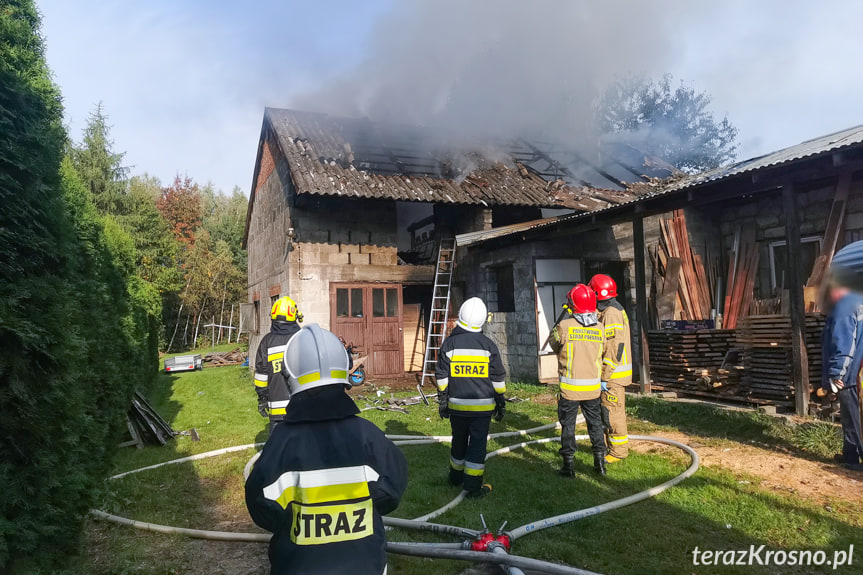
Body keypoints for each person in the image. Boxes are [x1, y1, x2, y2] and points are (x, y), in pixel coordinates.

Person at [245, 324, 408, 574]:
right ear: (344, 376)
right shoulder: (369, 437)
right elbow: (392, 490)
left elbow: (261, 506)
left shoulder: (280, 445)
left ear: (291, 379)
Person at [435, 297, 506, 498]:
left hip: (457, 406)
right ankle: (473, 486)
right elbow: (498, 379)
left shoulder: (450, 344)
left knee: (458, 440)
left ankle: (455, 478)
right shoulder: (488, 346)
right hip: (482, 409)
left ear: (461, 317)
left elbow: (441, 376)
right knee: (477, 444)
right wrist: (500, 402)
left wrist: (443, 400)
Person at [550, 284, 612, 477]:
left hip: (570, 390)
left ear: (572, 305)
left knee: (568, 426)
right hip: (593, 389)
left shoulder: (564, 326)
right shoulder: (601, 328)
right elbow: (605, 354)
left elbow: (553, 344)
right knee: (595, 425)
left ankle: (568, 466)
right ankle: (599, 464)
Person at [589, 274, 632, 463]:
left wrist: (605, 376)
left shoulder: (611, 313)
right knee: (607, 411)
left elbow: (615, 348)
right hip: (613, 373)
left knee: (612, 413)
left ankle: (618, 452)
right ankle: (612, 446)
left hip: (613, 375)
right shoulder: (611, 309)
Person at [821, 282, 863, 471]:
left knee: (853, 418)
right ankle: (850, 454)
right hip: (857, 372)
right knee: (850, 416)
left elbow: (844, 344)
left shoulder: (844, 309)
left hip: (850, 374)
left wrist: (837, 373)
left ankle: (855, 457)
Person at [254, 296, 302, 431]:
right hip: (302, 408)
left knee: (277, 450)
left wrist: (262, 399)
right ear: (294, 316)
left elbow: (261, 376)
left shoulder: (266, 342)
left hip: (277, 411)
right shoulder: (302, 338)